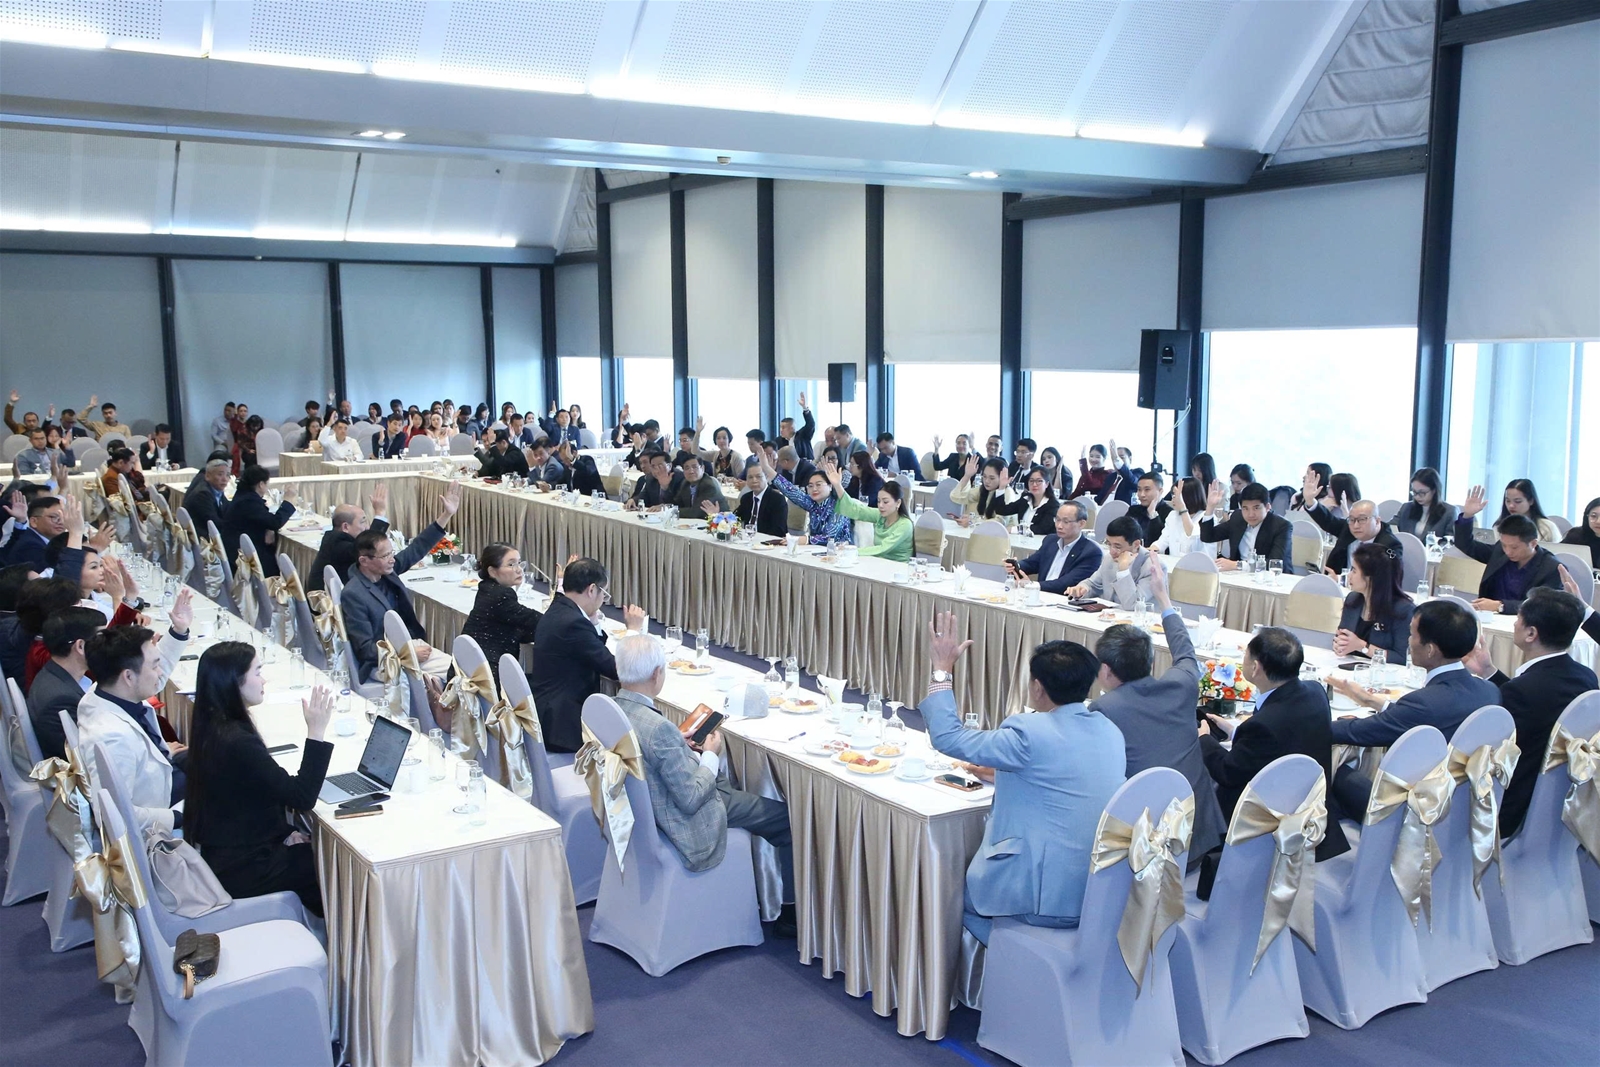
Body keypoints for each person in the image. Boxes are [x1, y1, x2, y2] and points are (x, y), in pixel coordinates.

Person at [922, 611, 1125, 943]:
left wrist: (942, 670)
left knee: (947, 895)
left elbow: (947, 738)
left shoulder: (1028, 731)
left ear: (1037, 687)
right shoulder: (1110, 730)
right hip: (1099, 890)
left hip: (1044, 898)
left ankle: (1014, 958)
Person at [612, 635, 793, 916]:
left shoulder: (615, 708)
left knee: (730, 788)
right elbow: (690, 798)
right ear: (657, 673)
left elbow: (648, 752)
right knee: (787, 819)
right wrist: (710, 754)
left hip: (645, 807)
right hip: (684, 817)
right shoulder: (658, 729)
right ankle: (790, 912)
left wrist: (677, 743)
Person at [1088, 560, 1226, 863]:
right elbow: (1184, 650)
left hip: (1145, 842)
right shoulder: (1182, 684)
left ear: (1106, 670)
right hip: (1199, 830)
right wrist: (1163, 599)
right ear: (1150, 662)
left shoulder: (1105, 709)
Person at [184, 643, 334, 915]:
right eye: (257, 672)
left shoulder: (213, 723)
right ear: (235, 681)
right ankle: (339, 936)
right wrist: (316, 731)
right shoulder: (236, 740)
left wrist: (284, 834)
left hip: (228, 852)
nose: (264, 680)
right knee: (331, 865)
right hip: (244, 868)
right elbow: (301, 797)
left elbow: (247, 797)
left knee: (307, 847)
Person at [1326, 598, 1499, 818]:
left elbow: (1358, 732)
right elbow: (1417, 716)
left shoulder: (1424, 703)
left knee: (1331, 765)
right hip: (1465, 804)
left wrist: (1308, 723)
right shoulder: (1489, 690)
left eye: (1412, 635)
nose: (1408, 641)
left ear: (1430, 650)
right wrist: (1372, 701)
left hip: (1412, 810)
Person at [1198, 627, 1350, 859]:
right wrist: (1236, 731)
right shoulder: (1315, 692)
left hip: (1267, 817)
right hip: (1308, 801)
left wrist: (1205, 739)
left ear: (1255, 667)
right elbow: (1288, 738)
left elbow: (1227, 772)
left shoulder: (1263, 725)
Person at [1462, 588, 1597, 838]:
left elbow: (1494, 753)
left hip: (1515, 809)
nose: (1515, 624)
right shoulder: (1586, 677)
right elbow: (1540, 707)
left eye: (1518, 619)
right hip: (1567, 800)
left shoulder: (1522, 691)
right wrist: (1490, 672)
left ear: (1531, 633)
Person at [340, 483, 459, 685]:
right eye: (385, 556)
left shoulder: (386, 571)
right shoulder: (354, 593)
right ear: (364, 561)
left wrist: (446, 515)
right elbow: (364, 648)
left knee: (457, 671)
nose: (392, 560)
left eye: (392, 553)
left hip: (407, 647)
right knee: (456, 676)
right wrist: (406, 653)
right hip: (384, 662)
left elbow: (417, 548)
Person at [528, 557, 646, 752]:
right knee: (627, 744)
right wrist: (633, 631)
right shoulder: (573, 623)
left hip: (545, 708)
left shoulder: (559, 608)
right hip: (563, 725)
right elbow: (619, 670)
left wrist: (593, 620)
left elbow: (589, 649)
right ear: (592, 590)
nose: (603, 600)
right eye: (603, 593)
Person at [77, 625, 187, 834]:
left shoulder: (104, 689)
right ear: (128, 676)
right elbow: (114, 815)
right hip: (164, 810)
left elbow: (153, 677)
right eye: (155, 666)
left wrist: (178, 633)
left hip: (165, 776)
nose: (160, 673)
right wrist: (178, 817)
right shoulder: (113, 737)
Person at [1453, 495, 1564, 614]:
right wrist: (1468, 516)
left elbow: (1544, 606)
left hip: (1526, 620)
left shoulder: (1551, 568)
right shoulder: (1500, 551)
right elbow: (1465, 545)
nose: (1508, 552)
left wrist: (1501, 606)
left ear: (1533, 543)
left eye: (1514, 547)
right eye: (1504, 545)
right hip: (1489, 616)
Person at [26, 606, 107, 761]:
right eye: (102, 639)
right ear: (80, 646)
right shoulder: (61, 700)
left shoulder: (52, 674)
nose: (108, 646)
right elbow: (91, 757)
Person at [462, 544, 544, 688]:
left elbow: (515, 627)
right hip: (489, 681)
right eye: (511, 564)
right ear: (492, 571)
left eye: (519, 563)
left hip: (472, 671)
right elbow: (537, 620)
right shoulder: (501, 595)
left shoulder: (486, 588)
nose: (519, 569)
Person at [1334, 543, 1416, 659]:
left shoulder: (1404, 610)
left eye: (1354, 571)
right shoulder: (1352, 600)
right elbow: (1342, 637)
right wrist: (1339, 644)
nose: (1349, 575)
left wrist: (1362, 647)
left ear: (1371, 578)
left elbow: (1403, 657)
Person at [819, 458, 912, 561]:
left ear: (898, 503)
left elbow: (882, 548)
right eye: (878, 501)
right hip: (879, 563)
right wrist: (837, 485)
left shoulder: (905, 524)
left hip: (898, 567)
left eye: (885, 502)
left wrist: (850, 550)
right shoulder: (880, 515)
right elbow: (856, 510)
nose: (880, 505)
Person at [761, 447, 851, 545]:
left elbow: (830, 537)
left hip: (840, 551)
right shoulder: (812, 504)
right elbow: (790, 490)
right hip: (815, 550)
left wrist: (803, 540)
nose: (814, 489)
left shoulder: (839, 505)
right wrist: (767, 468)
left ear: (830, 486)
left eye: (818, 484)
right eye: (810, 486)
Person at [1007, 503, 1101, 595]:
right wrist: (1015, 565)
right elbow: (1032, 563)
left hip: (1064, 599)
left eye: (1066, 522)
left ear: (1081, 524)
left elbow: (1066, 583)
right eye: (1057, 520)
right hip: (1040, 595)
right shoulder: (1051, 540)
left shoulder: (1091, 552)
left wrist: (1033, 585)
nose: (1059, 526)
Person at [221, 465, 296, 578]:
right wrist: (288, 501)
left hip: (237, 546)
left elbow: (265, 521)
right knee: (272, 562)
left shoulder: (243, 495)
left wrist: (269, 528)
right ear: (261, 484)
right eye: (266, 484)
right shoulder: (248, 502)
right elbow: (276, 522)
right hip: (243, 556)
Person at [306, 487, 388, 592]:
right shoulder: (338, 544)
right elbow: (369, 545)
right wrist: (380, 513)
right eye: (362, 522)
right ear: (345, 527)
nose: (367, 527)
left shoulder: (333, 538)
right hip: (327, 601)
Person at [1199, 480, 1292, 572]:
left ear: (1267, 507)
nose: (1251, 514)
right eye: (1245, 508)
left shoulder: (1281, 526)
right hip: (1238, 575)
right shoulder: (1237, 518)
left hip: (1271, 577)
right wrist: (1210, 507)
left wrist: (1237, 565)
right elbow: (1207, 537)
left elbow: (1274, 563)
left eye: (1256, 508)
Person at [1066, 515, 1157, 608]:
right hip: (1110, 613)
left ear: (1136, 544)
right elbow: (1093, 584)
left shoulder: (1152, 567)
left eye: (1117, 546)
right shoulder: (1109, 558)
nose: (1112, 551)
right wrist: (1082, 589)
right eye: (1109, 544)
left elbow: (1133, 605)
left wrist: (1123, 570)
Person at [1320, 499, 1404, 576]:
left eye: (1362, 519)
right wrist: (1312, 502)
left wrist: (1342, 580)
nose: (1356, 526)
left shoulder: (1390, 544)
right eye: (1351, 519)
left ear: (1377, 521)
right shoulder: (1348, 529)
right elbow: (1328, 521)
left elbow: (1387, 579)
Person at [951, 456, 1020, 529]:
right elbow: (956, 497)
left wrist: (973, 522)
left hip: (1005, 534)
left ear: (1002, 477)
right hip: (986, 531)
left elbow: (1000, 521)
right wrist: (967, 476)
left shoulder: (1007, 492)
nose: (987, 481)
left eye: (992, 478)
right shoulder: (983, 489)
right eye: (984, 476)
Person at [1487, 478, 1561, 544]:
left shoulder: (1547, 527)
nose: (1511, 506)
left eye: (1517, 501)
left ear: (1531, 501)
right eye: (1508, 501)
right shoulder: (1499, 526)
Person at [1152, 478, 1213, 559]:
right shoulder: (1173, 515)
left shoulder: (1206, 517)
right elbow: (1162, 541)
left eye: (1177, 495)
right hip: (1174, 564)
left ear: (1189, 496)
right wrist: (1149, 551)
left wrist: (1182, 507)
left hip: (1200, 564)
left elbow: (1192, 535)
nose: (1173, 499)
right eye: (1173, 495)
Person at [1394, 467, 1459, 541]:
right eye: (1414, 492)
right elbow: (1390, 527)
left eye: (1422, 493)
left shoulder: (1450, 512)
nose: (1417, 497)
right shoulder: (1406, 507)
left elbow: (1450, 541)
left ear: (1434, 490)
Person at [3, 494, 64, 571]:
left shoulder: (41, 541)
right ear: (34, 521)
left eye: (63, 517)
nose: (61, 522)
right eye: (54, 517)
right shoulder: (30, 546)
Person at [731, 465, 790, 538]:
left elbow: (779, 530)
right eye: (750, 477)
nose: (754, 480)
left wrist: (759, 538)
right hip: (748, 538)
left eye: (758, 476)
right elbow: (736, 517)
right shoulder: (746, 498)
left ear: (767, 478)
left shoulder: (777, 499)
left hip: (768, 540)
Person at [181, 457, 232, 536]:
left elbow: (227, 510)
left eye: (228, 475)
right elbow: (214, 523)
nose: (225, 479)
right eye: (220, 474)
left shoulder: (217, 490)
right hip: (203, 537)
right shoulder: (202, 495)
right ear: (208, 476)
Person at [1128, 471, 1171, 545]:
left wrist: (1153, 515)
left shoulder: (1170, 513)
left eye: (1147, 490)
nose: (1142, 494)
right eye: (1139, 490)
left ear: (1160, 491)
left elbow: (1161, 541)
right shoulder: (1134, 510)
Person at [1015, 467, 1059, 535]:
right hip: (1022, 539)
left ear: (1047, 484)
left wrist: (1016, 529)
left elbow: (1041, 528)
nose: (1034, 484)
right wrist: (1002, 488)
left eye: (1039, 481)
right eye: (1031, 481)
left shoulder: (1053, 505)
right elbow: (1004, 509)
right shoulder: (1026, 499)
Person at [1559, 496, 1600, 567]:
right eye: (1593, 516)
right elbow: (1557, 556)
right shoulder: (1575, 535)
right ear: (1586, 517)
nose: (1598, 521)